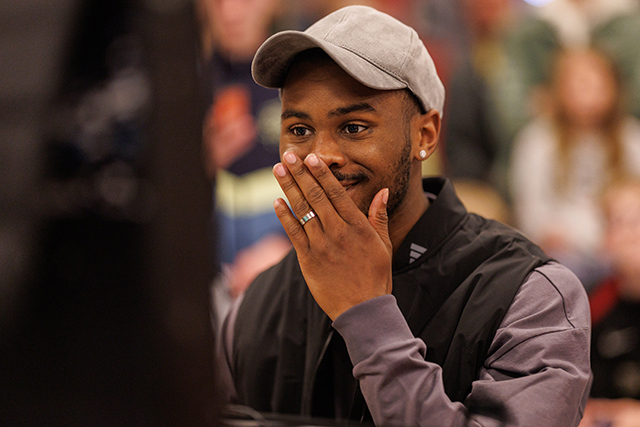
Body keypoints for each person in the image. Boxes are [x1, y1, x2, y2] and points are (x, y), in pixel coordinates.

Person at [217, 6, 591, 426]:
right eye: (300, 130)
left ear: (425, 134)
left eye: (353, 127)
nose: (320, 156)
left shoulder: (532, 295)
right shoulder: (255, 306)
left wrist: (367, 314)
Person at [509, 47, 640, 291]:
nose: (589, 93)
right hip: (560, 251)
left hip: (623, 246)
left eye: (597, 84)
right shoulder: (536, 141)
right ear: (559, 89)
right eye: (580, 84)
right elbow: (531, 213)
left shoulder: (631, 139)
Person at [196, 0, 291, 326]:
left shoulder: (303, 81)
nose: (231, 13)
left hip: (291, 287)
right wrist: (201, 164)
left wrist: (291, 252)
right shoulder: (186, 87)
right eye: (218, 2)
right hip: (213, 294)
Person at [580, 179, 640, 427]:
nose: (633, 234)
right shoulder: (590, 304)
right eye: (621, 223)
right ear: (606, 239)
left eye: (639, 221)